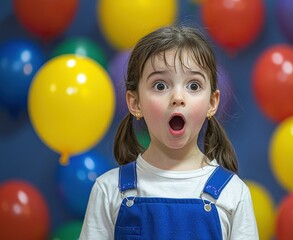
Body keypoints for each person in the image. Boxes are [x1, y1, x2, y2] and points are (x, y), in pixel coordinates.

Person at [80, 25, 258, 240]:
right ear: (135, 103)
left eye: (193, 86)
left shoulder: (233, 193)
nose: (177, 97)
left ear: (212, 102)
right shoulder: (108, 191)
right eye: (160, 85)